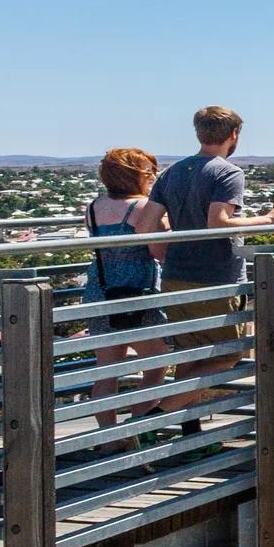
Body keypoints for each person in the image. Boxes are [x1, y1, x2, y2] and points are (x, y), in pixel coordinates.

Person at [149, 105, 274, 418]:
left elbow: (147, 223)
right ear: (234, 134)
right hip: (216, 278)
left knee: (190, 355)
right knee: (233, 353)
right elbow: (219, 222)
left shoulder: (172, 172)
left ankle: (185, 432)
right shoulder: (227, 171)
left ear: (199, 132)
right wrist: (268, 218)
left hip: (174, 276)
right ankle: (154, 417)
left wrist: (166, 252)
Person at [81, 148, 171, 413]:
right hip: (138, 293)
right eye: (149, 173)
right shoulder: (143, 207)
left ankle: (108, 441)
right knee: (155, 367)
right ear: (135, 176)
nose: (152, 178)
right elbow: (158, 252)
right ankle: (138, 432)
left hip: (101, 290)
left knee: (107, 371)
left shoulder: (94, 207)